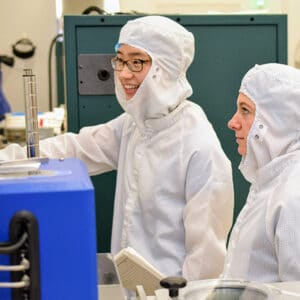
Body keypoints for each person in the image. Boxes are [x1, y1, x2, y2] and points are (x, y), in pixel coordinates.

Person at [0, 16, 233, 280]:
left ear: (165, 67)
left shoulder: (199, 147)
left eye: (137, 62)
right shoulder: (137, 124)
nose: (123, 73)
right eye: (120, 59)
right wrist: (8, 158)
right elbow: (76, 148)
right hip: (130, 287)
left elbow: (206, 261)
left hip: (171, 294)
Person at [223, 63, 300, 282]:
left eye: (245, 110)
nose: (232, 122)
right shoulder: (270, 180)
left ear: (277, 120)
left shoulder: (293, 197)